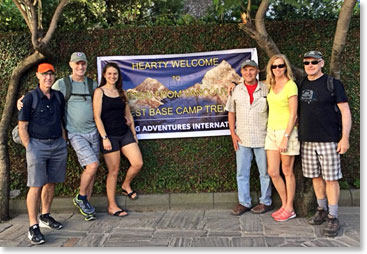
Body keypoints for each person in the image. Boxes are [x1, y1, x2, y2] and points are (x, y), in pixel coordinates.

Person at [18, 52, 100, 221]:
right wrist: (22, 100)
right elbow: (39, 96)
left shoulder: (91, 85)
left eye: (83, 63)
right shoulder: (61, 84)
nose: (80, 67)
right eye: (77, 64)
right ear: (71, 65)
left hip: (86, 134)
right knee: (92, 165)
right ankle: (35, 224)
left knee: (90, 170)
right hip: (69, 136)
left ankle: (84, 207)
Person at [298, 51, 352, 236]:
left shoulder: (333, 84)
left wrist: (344, 138)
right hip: (307, 141)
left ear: (321, 63)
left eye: (314, 62)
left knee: (331, 179)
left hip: (329, 140)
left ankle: (333, 216)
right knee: (316, 177)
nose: (310, 65)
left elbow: (345, 111)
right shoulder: (302, 83)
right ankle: (321, 209)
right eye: (307, 62)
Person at [18, 63, 67, 245]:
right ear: (38, 76)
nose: (48, 77)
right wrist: (29, 147)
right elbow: (22, 125)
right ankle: (33, 226)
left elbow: (61, 121)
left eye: (51, 74)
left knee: (51, 182)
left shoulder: (58, 97)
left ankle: (45, 216)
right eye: (44, 74)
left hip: (57, 145)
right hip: (37, 146)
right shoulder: (30, 98)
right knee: (36, 185)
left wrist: (63, 141)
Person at [93, 62, 143, 217]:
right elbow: (97, 117)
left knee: (138, 163)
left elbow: (128, 115)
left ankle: (126, 184)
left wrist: (133, 133)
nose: (112, 76)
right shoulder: (99, 92)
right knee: (113, 171)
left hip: (124, 133)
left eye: (115, 74)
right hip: (109, 136)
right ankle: (112, 206)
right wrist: (104, 137)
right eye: (109, 74)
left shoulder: (121, 92)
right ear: (104, 75)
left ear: (118, 76)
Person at [225, 59, 272, 216]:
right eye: (245, 70)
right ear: (242, 73)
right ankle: (244, 202)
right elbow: (231, 113)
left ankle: (266, 202)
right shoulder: (236, 90)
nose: (248, 73)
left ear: (257, 71)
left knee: (265, 172)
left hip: (263, 137)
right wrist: (233, 134)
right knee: (242, 173)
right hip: (242, 138)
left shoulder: (266, 88)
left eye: (251, 70)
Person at [264, 54, 299, 222]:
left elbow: (293, 114)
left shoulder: (291, 85)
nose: (277, 69)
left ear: (286, 67)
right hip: (271, 131)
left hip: (287, 132)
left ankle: (289, 208)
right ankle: (285, 205)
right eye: (274, 66)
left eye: (280, 66)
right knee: (272, 171)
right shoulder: (270, 85)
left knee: (287, 171)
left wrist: (286, 136)